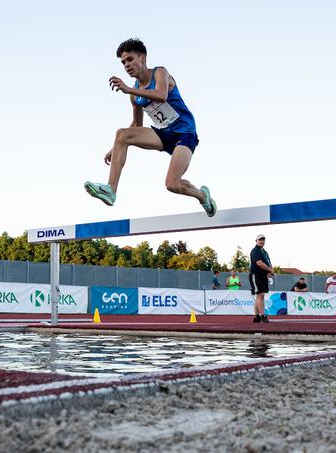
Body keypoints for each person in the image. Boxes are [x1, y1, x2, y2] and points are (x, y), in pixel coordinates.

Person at [84, 38, 217, 217]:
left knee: (172, 184)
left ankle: (203, 197)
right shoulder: (134, 94)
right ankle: (110, 190)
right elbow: (137, 125)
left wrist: (128, 89)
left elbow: (161, 95)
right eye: (123, 62)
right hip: (163, 134)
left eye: (130, 59)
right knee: (121, 134)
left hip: (184, 133)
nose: (126, 65)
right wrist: (115, 147)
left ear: (143, 58)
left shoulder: (159, 73)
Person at [249, 234, 275, 323]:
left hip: (262, 275)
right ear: (256, 241)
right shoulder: (255, 251)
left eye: (263, 240)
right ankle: (263, 315)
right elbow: (259, 263)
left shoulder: (264, 251)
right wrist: (270, 270)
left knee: (259, 296)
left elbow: (268, 262)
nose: (262, 241)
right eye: (260, 240)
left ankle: (256, 316)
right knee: (260, 295)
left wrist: (270, 271)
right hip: (256, 275)